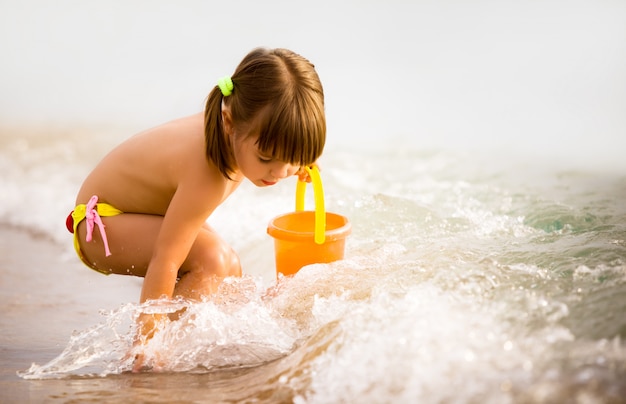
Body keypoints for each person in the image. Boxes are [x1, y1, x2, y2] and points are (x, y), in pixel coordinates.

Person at [65, 47, 326, 370]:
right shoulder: (207, 172)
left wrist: (296, 159)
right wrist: (146, 341)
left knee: (230, 267)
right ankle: (155, 354)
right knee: (211, 259)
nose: (279, 172)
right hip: (102, 224)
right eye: (267, 158)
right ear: (230, 123)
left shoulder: (237, 132)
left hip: (137, 215)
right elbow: (167, 257)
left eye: (292, 159)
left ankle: (210, 338)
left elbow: (276, 154)